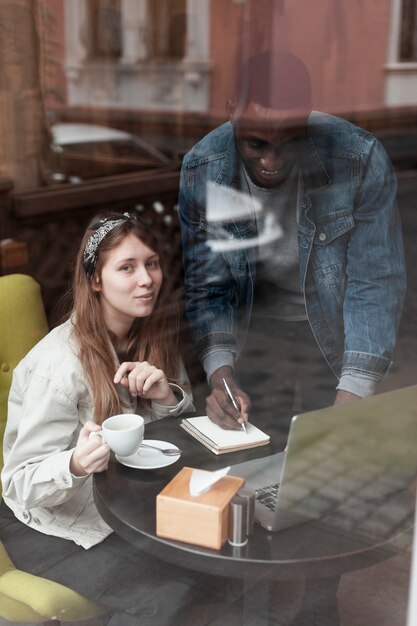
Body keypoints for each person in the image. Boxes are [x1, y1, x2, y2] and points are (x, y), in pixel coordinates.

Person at [179, 50, 406, 436]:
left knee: (335, 453)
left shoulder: (358, 158)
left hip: (339, 330)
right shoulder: (203, 168)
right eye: (256, 144)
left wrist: (353, 394)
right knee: (256, 453)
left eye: (290, 141)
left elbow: (376, 281)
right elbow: (208, 286)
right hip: (255, 331)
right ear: (232, 110)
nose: (272, 159)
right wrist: (220, 374)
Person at [0, 212, 199, 625]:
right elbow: (18, 483)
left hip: (129, 506)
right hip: (52, 522)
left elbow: (181, 439)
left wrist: (168, 397)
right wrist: (73, 463)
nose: (146, 279)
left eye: (151, 263)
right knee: (165, 594)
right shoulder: (58, 366)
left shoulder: (152, 337)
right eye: (126, 267)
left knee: (208, 567)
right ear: (95, 280)